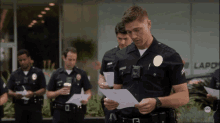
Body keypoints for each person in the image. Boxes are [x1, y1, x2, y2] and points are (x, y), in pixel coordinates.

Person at [104, 5, 189, 123]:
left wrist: (157, 102)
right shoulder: (121, 56)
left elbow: (183, 96)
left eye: (137, 30)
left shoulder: (169, 55)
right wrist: (111, 101)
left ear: (148, 24)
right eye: (129, 32)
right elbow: (117, 91)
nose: (133, 36)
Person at [47, 47, 92, 123]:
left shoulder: (81, 73)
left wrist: (86, 98)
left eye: (74, 60)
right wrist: (59, 92)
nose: (72, 62)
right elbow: (48, 94)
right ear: (64, 58)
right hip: (60, 112)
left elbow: (88, 91)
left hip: (76, 113)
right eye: (70, 59)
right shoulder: (56, 73)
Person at [98, 22, 132, 123]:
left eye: (125, 39)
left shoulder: (137, 55)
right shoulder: (109, 55)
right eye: (119, 38)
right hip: (111, 103)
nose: (122, 42)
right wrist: (101, 83)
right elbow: (101, 76)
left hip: (129, 104)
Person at [7, 49, 46, 123]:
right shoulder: (14, 74)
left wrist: (33, 93)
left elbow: (43, 90)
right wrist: (15, 94)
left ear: (29, 59)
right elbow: (8, 90)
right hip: (20, 108)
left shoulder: (38, 72)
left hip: (35, 107)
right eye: (20, 60)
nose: (22, 62)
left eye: (24, 60)